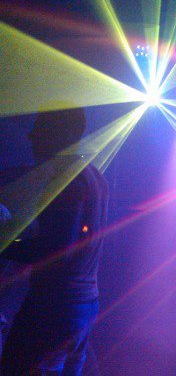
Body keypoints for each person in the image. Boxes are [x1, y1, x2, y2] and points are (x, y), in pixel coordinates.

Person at [1, 106, 109, 375]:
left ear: (62, 134)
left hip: (53, 308)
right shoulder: (95, 176)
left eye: (40, 128)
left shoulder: (68, 183)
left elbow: (56, 253)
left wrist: (7, 244)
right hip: (84, 304)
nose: (31, 136)